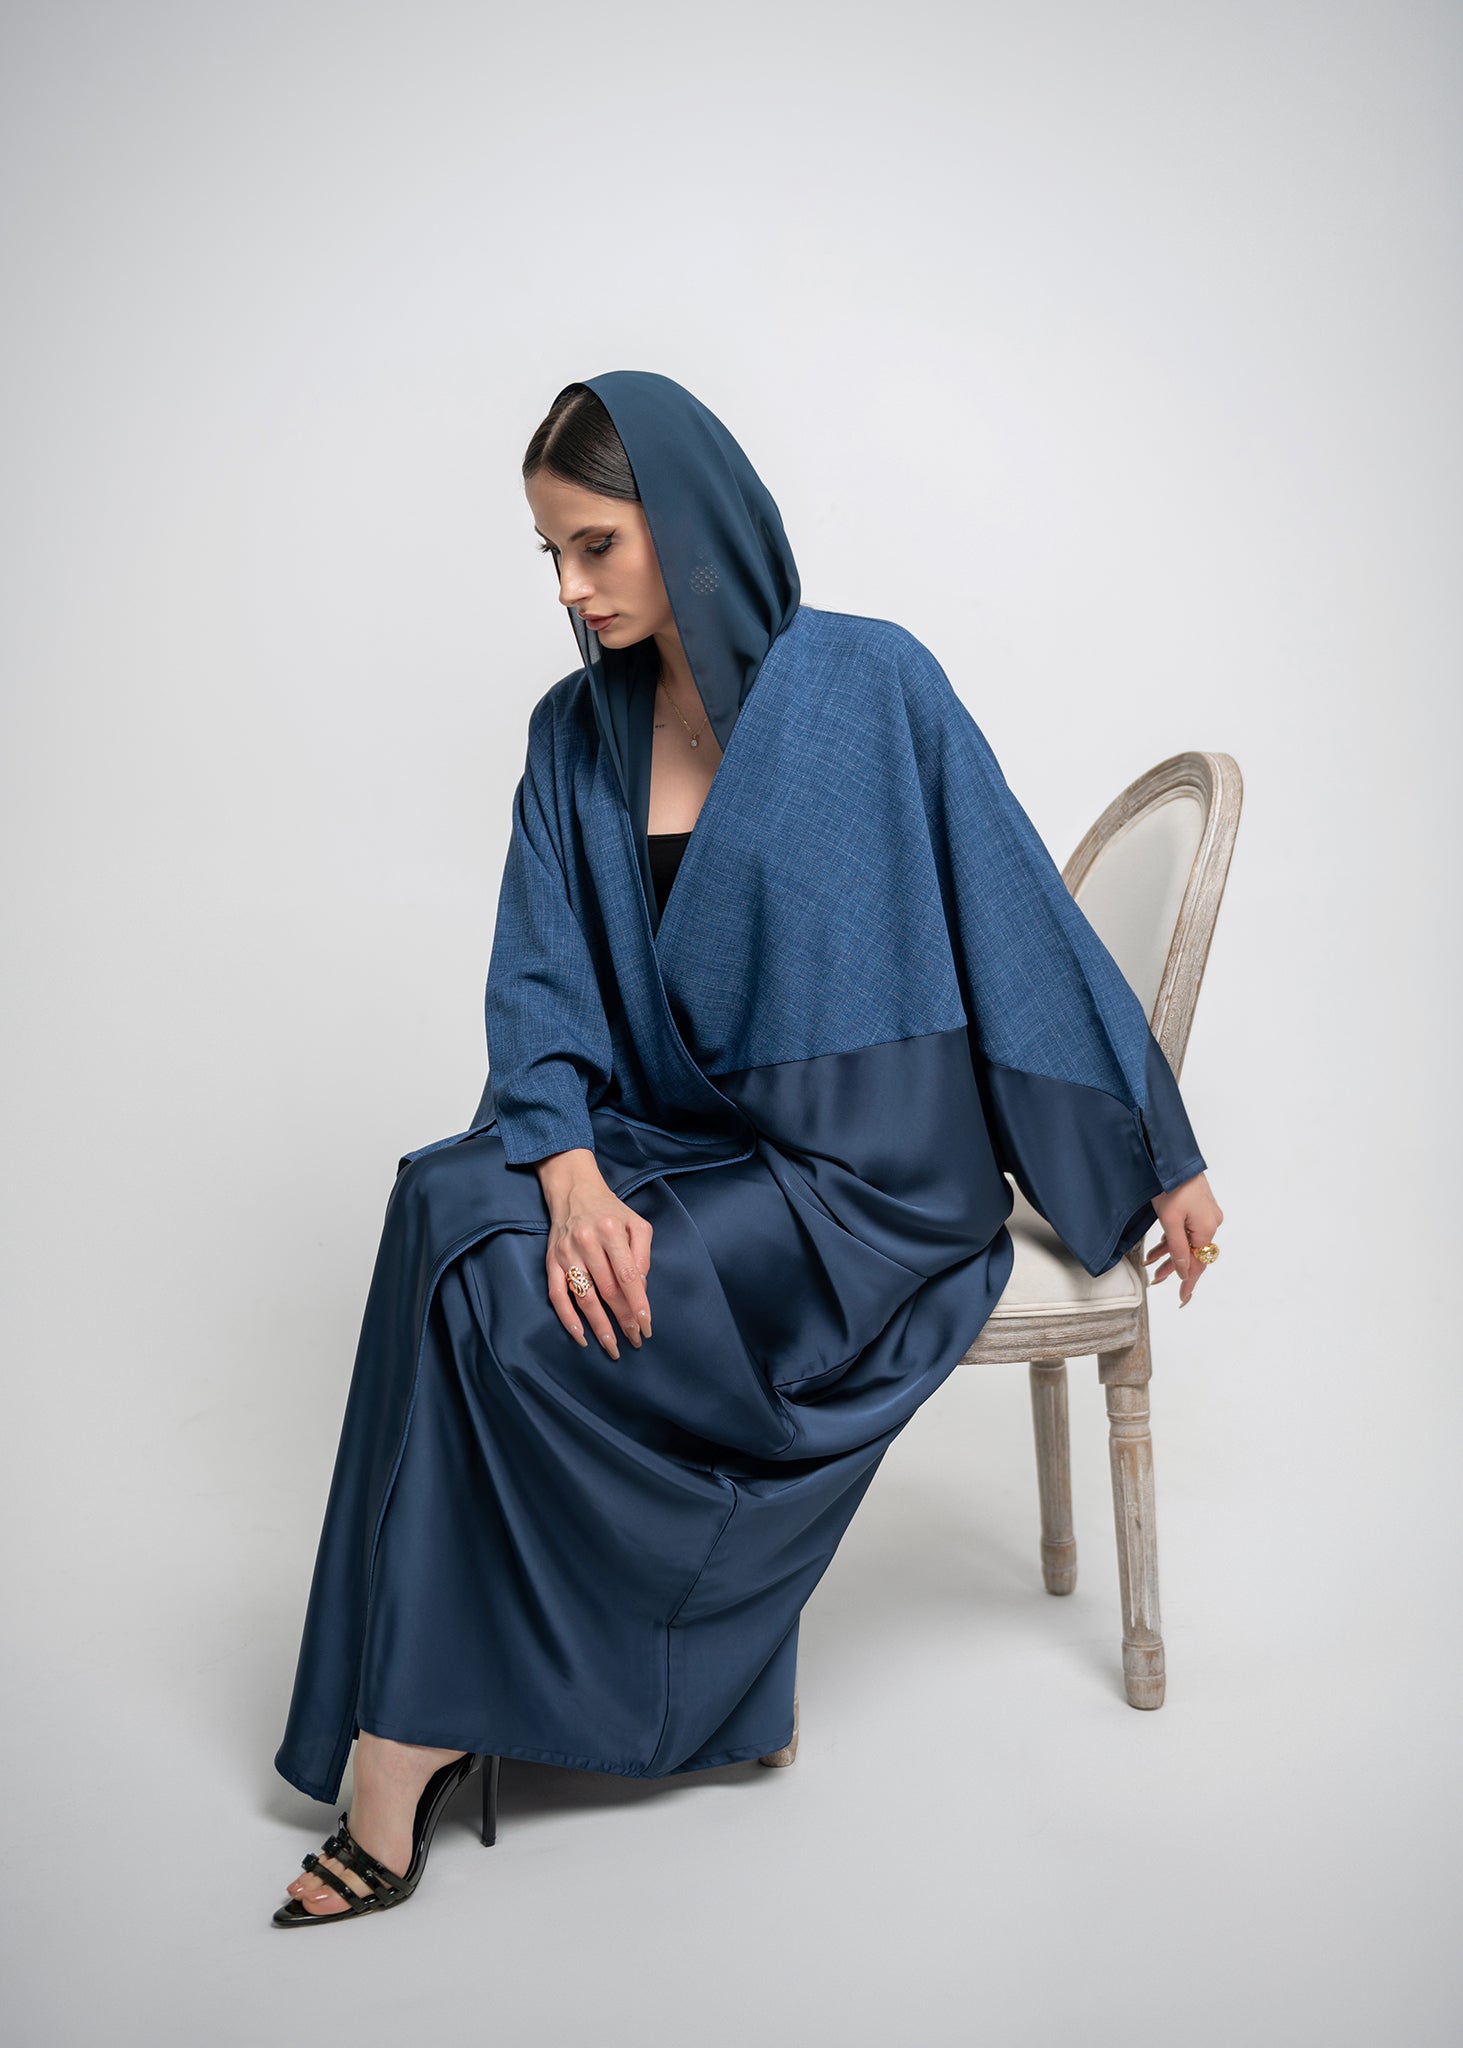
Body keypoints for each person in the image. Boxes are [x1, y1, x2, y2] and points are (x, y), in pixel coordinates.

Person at [271, 370, 1224, 1925]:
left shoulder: (872, 683)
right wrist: (570, 1170)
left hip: (866, 1183)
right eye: (551, 558)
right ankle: (434, 1690)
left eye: (596, 545)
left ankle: (425, 1735)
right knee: (444, 1201)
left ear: (688, 518)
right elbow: (540, 977)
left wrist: (1156, 1151)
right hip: (673, 1140)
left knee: (517, 1294)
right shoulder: (572, 735)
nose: (571, 591)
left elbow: (1014, 912)